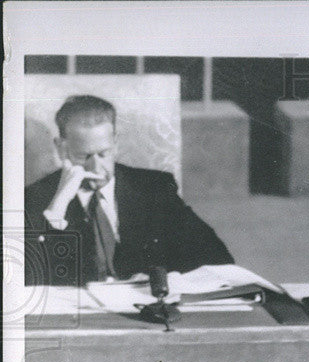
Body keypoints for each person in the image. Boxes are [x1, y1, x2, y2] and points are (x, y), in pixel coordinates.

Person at [24, 94, 234, 286]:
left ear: (115, 143)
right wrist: (57, 208)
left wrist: (166, 278)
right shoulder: (36, 197)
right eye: (83, 157)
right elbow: (21, 279)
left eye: (104, 154)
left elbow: (216, 256)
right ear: (61, 148)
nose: (96, 168)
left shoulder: (154, 188)